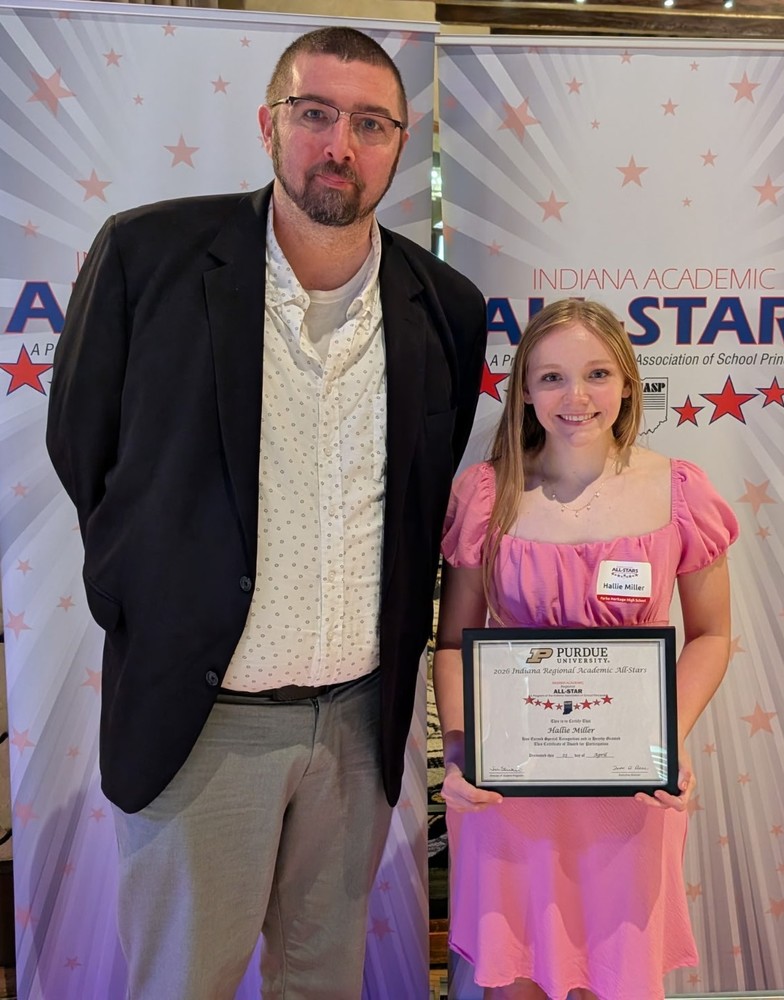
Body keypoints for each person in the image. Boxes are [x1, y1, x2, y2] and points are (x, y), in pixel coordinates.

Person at [46, 26, 487, 1000]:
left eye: (371, 124)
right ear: (268, 123)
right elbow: (83, 447)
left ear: (398, 147)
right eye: (315, 113)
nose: (341, 144)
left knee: (320, 982)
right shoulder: (148, 258)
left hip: (358, 727)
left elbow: (426, 486)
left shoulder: (446, 306)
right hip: (206, 720)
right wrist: (148, 600)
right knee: (183, 981)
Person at [433, 298, 737, 1000]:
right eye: (551, 378)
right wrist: (458, 754)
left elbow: (713, 635)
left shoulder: (678, 492)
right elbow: (452, 643)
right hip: (508, 790)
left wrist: (670, 738)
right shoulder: (486, 494)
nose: (576, 398)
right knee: (515, 982)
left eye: (597, 374)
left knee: (618, 978)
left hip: (627, 789)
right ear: (525, 392)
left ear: (628, 382)